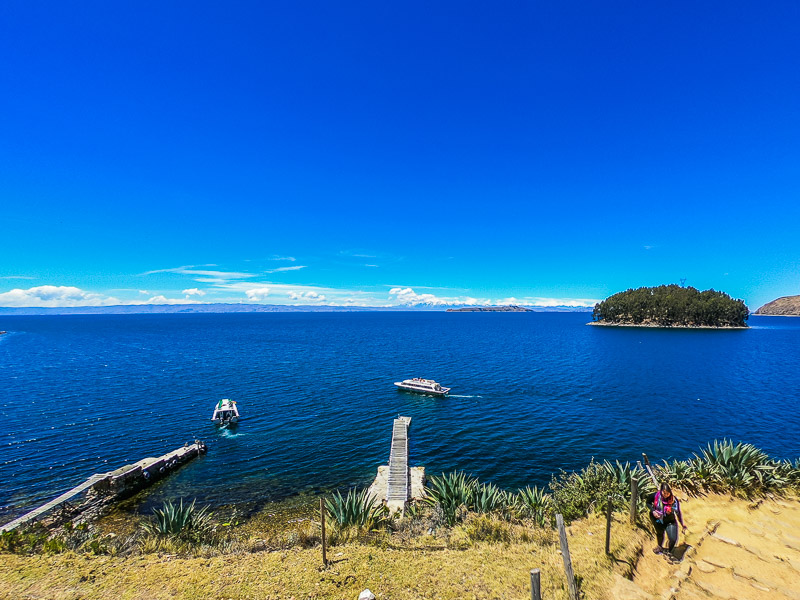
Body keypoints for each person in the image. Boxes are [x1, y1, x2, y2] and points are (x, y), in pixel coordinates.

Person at [646, 482, 687, 559]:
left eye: (667, 493)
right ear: (661, 491)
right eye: (664, 493)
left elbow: (678, 513)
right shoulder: (655, 496)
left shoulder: (674, 501)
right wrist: (653, 511)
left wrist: (682, 523)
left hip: (670, 521)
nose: (666, 495)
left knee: (673, 538)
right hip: (658, 520)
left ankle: (669, 551)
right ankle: (660, 546)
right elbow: (647, 503)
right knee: (659, 533)